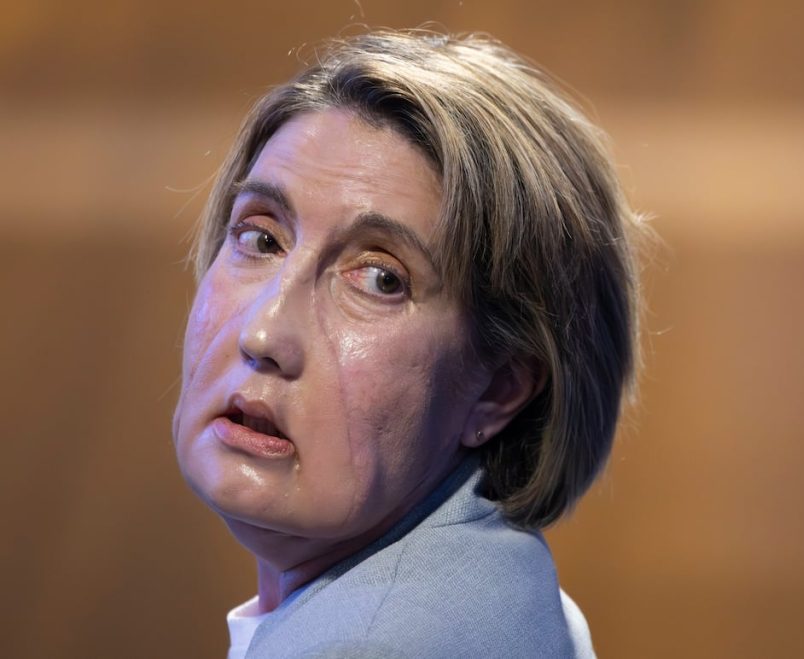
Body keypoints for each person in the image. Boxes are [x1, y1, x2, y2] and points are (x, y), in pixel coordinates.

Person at [172, 28, 647, 658]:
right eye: (262, 239)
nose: (263, 335)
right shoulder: (488, 586)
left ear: (499, 388)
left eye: (380, 279)